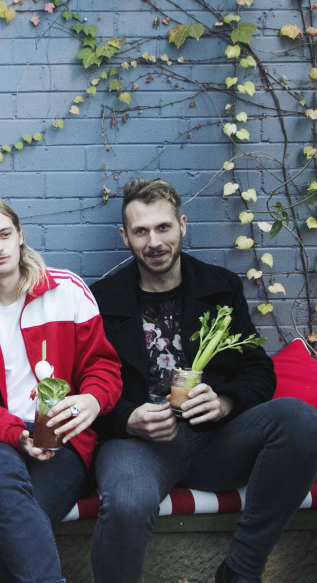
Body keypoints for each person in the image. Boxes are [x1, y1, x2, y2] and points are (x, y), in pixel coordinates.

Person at [89, 178, 317, 583]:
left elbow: (258, 369)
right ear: (125, 236)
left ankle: (240, 571)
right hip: (137, 446)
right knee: (126, 503)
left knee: (301, 418)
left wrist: (225, 402)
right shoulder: (101, 299)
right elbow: (86, 383)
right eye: (141, 231)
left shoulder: (220, 287)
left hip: (216, 441)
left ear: (182, 225)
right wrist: (127, 418)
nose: (154, 242)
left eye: (163, 227)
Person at [0, 195, 122, 583]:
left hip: (63, 437)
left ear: (20, 235)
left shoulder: (66, 290)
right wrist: (16, 434)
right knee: (5, 493)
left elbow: (103, 366)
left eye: (4, 234)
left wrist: (92, 399)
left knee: (12, 530)